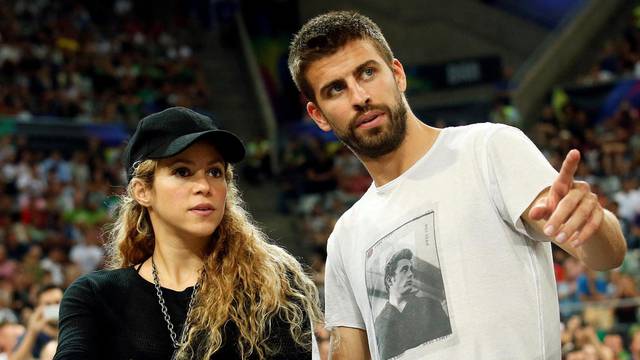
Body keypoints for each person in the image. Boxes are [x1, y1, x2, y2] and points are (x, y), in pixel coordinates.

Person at [287, 11, 626, 359]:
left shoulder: (488, 150)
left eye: (368, 72)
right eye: (336, 89)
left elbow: (606, 254)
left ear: (398, 74)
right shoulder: (345, 237)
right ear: (318, 116)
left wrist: (593, 224)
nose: (359, 96)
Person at [53, 107, 322, 359]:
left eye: (215, 172)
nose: (204, 185)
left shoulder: (273, 287)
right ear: (142, 191)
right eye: (182, 171)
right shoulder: (95, 296)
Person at [374, 249, 450, 360]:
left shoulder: (432, 306)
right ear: (390, 280)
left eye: (411, 269)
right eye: (404, 270)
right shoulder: (379, 324)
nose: (411, 274)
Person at [10, 284, 62, 360]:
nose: (53, 307)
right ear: (38, 308)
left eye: (57, 302)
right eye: (48, 304)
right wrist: (32, 332)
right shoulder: (34, 333)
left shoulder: (76, 326)